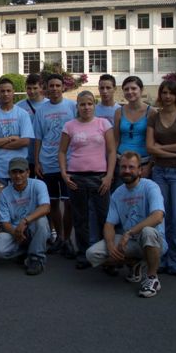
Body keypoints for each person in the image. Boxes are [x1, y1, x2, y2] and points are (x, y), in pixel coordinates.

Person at [85, 151, 168, 298]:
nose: (127, 171)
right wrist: (110, 245)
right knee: (92, 254)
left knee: (147, 231)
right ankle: (136, 263)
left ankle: (152, 278)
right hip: (130, 242)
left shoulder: (150, 187)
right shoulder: (118, 193)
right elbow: (109, 224)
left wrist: (129, 233)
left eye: (131, 167)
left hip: (154, 241)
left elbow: (157, 217)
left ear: (140, 170)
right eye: (123, 167)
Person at [59, 90, 116, 269]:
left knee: (103, 217)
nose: (86, 107)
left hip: (100, 177)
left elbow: (111, 151)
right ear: (77, 106)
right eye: (82, 104)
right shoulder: (69, 126)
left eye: (90, 103)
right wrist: (64, 174)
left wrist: (109, 175)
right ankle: (83, 254)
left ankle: (106, 256)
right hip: (76, 178)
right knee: (80, 218)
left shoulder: (104, 124)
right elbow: (62, 152)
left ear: (94, 105)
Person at [146, 80, 176, 278]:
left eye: (170, 93)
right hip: (160, 172)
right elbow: (150, 147)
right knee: (161, 219)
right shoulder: (153, 117)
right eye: (164, 92)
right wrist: (174, 151)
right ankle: (162, 260)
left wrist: (162, 149)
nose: (167, 96)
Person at [33, 74, 77, 255]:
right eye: (51, 85)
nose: (54, 89)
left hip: (68, 163)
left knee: (69, 204)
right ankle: (59, 237)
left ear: (63, 87)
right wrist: (37, 161)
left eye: (58, 85)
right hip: (47, 163)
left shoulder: (72, 106)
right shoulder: (41, 110)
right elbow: (38, 138)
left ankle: (68, 239)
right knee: (52, 203)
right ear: (46, 87)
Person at [0, 158, 51, 276]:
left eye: (21, 172)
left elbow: (46, 207)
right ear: (9, 174)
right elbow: (5, 222)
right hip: (15, 230)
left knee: (41, 221)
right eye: (14, 172)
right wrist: (16, 233)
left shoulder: (38, 184)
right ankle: (27, 251)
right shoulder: (4, 193)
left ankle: (36, 259)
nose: (18, 176)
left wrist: (25, 221)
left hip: (33, 226)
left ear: (28, 172)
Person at [0, 77, 34, 184]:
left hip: (19, 168)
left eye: (8, 91)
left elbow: (25, 141)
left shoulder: (23, 114)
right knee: (0, 194)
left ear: (13, 92)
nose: (6, 94)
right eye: (3, 91)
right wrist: (10, 139)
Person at [113, 76, 152, 190]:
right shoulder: (119, 112)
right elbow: (116, 140)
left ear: (141, 89)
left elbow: (154, 142)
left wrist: (149, 166)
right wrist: (112, 164)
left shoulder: (151, 112)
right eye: (126, 89)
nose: (130, 92)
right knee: (121, 195)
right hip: (122, 163)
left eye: (134, 88)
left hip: (143, 163)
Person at [15, 73, 47, 176]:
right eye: (29, 88)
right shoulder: (18, 106)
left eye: (35, 88)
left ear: (41, 87)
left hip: (44, 155)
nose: (32, 91)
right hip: (25, 155)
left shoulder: (49, 105)